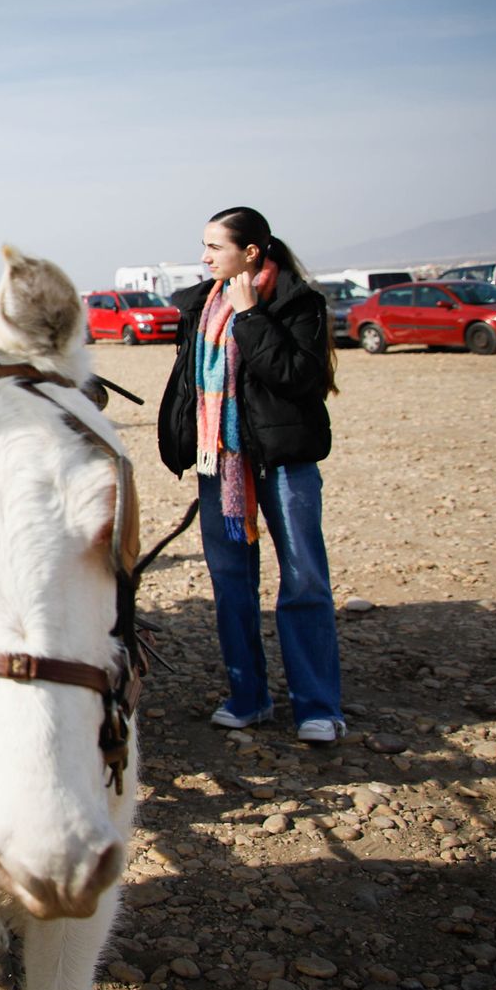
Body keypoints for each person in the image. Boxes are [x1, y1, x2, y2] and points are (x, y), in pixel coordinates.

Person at [157, 206, 346, 744]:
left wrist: (251, 317)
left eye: (215, 247)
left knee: (304, 582)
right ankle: (249, 697)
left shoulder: (295, 301)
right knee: (232, 586)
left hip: (283, 464)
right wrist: (180, 442)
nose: (204, 256)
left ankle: (318, 706)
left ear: (252, 252)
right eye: (205, 245)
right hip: (220, 464)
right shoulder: (200, 303)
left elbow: (297, 377)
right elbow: (189, 383)